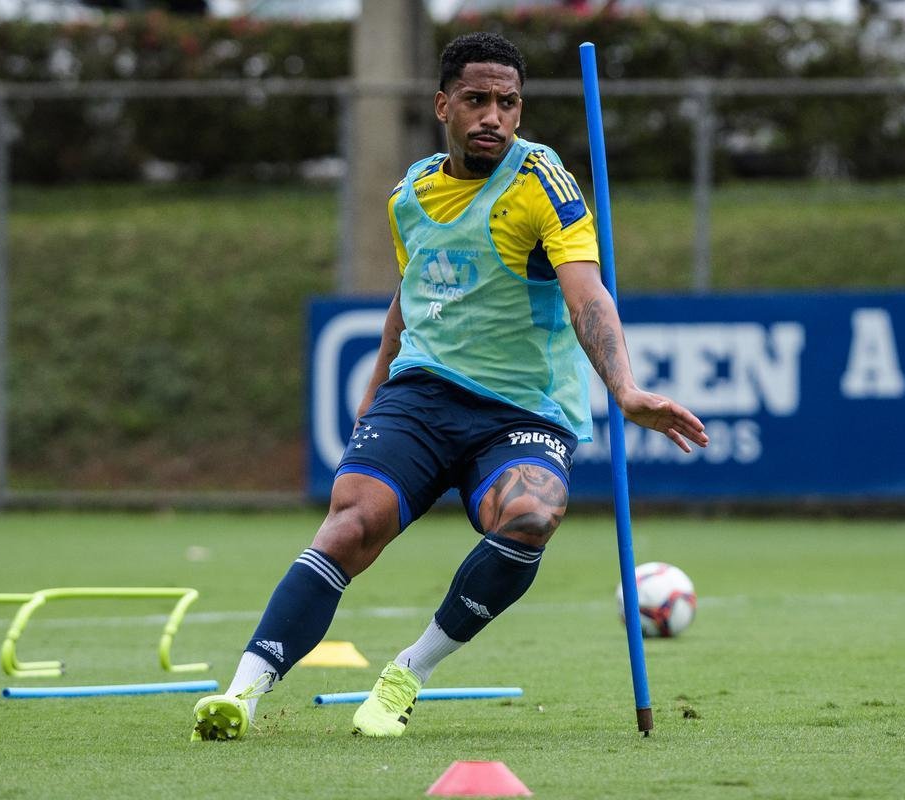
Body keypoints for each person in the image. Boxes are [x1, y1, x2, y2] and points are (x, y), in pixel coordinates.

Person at [191, 31, 708, 742]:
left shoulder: (543, 182)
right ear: (443, 106)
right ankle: (241, 693)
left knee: (531, 515)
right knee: (352, 523)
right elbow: (409, 295)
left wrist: (624, 389)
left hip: (523, 410)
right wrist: (375, 386)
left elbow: (587, 294)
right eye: (476, 100)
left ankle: (409, 671)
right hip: (423, 395)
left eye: (508, 102)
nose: (494, 116)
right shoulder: (408, 195)